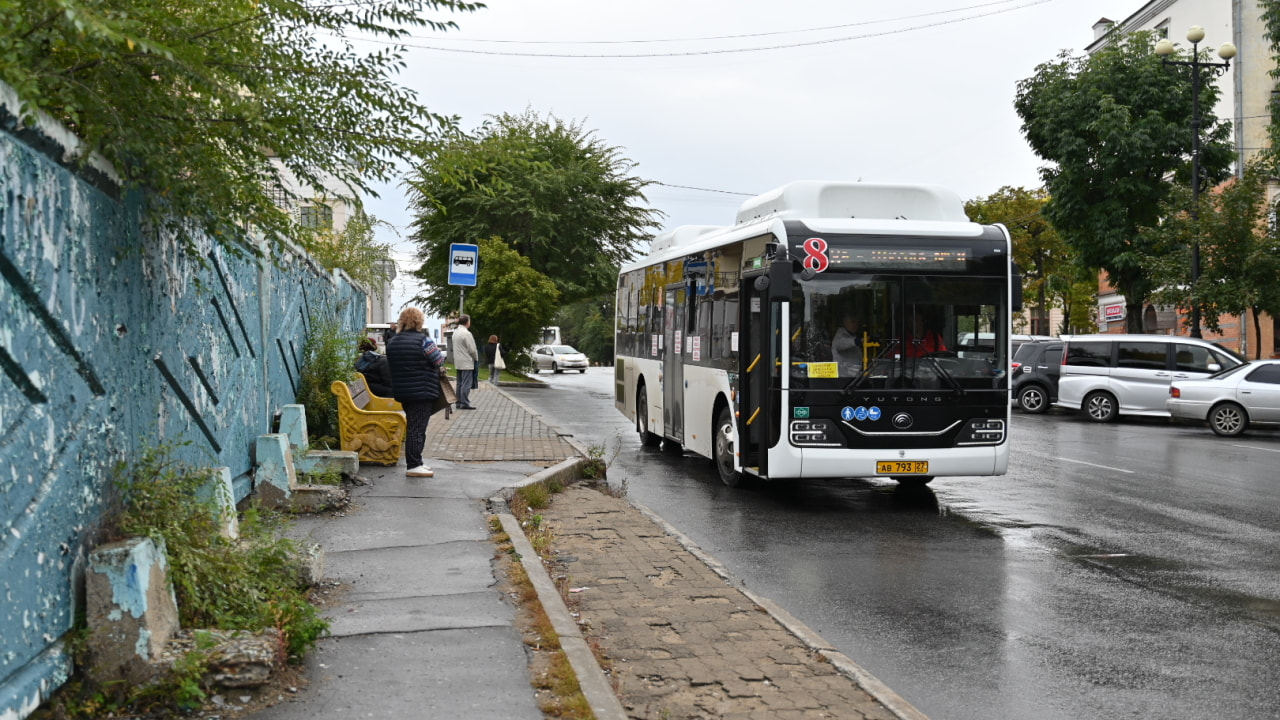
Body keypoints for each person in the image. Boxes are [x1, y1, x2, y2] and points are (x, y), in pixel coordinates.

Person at [385, 308, 446, 477]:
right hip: (422, 390)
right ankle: (413, 465)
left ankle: (417, 461)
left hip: (403, 391)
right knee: (417, 428)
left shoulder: (393, 342)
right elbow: (439, 359)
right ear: (419, 321)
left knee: (414, 425)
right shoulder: (423, 341)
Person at [451, 314, 480, 410]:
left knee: (459, 383)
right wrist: (476, 358)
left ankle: (458, 402)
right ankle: (465, 402)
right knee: (466, 383)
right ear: (467, 322)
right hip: (467, 362)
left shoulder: (455, 332)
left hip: (458, 361)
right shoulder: (467, 334)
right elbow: (472, 349)